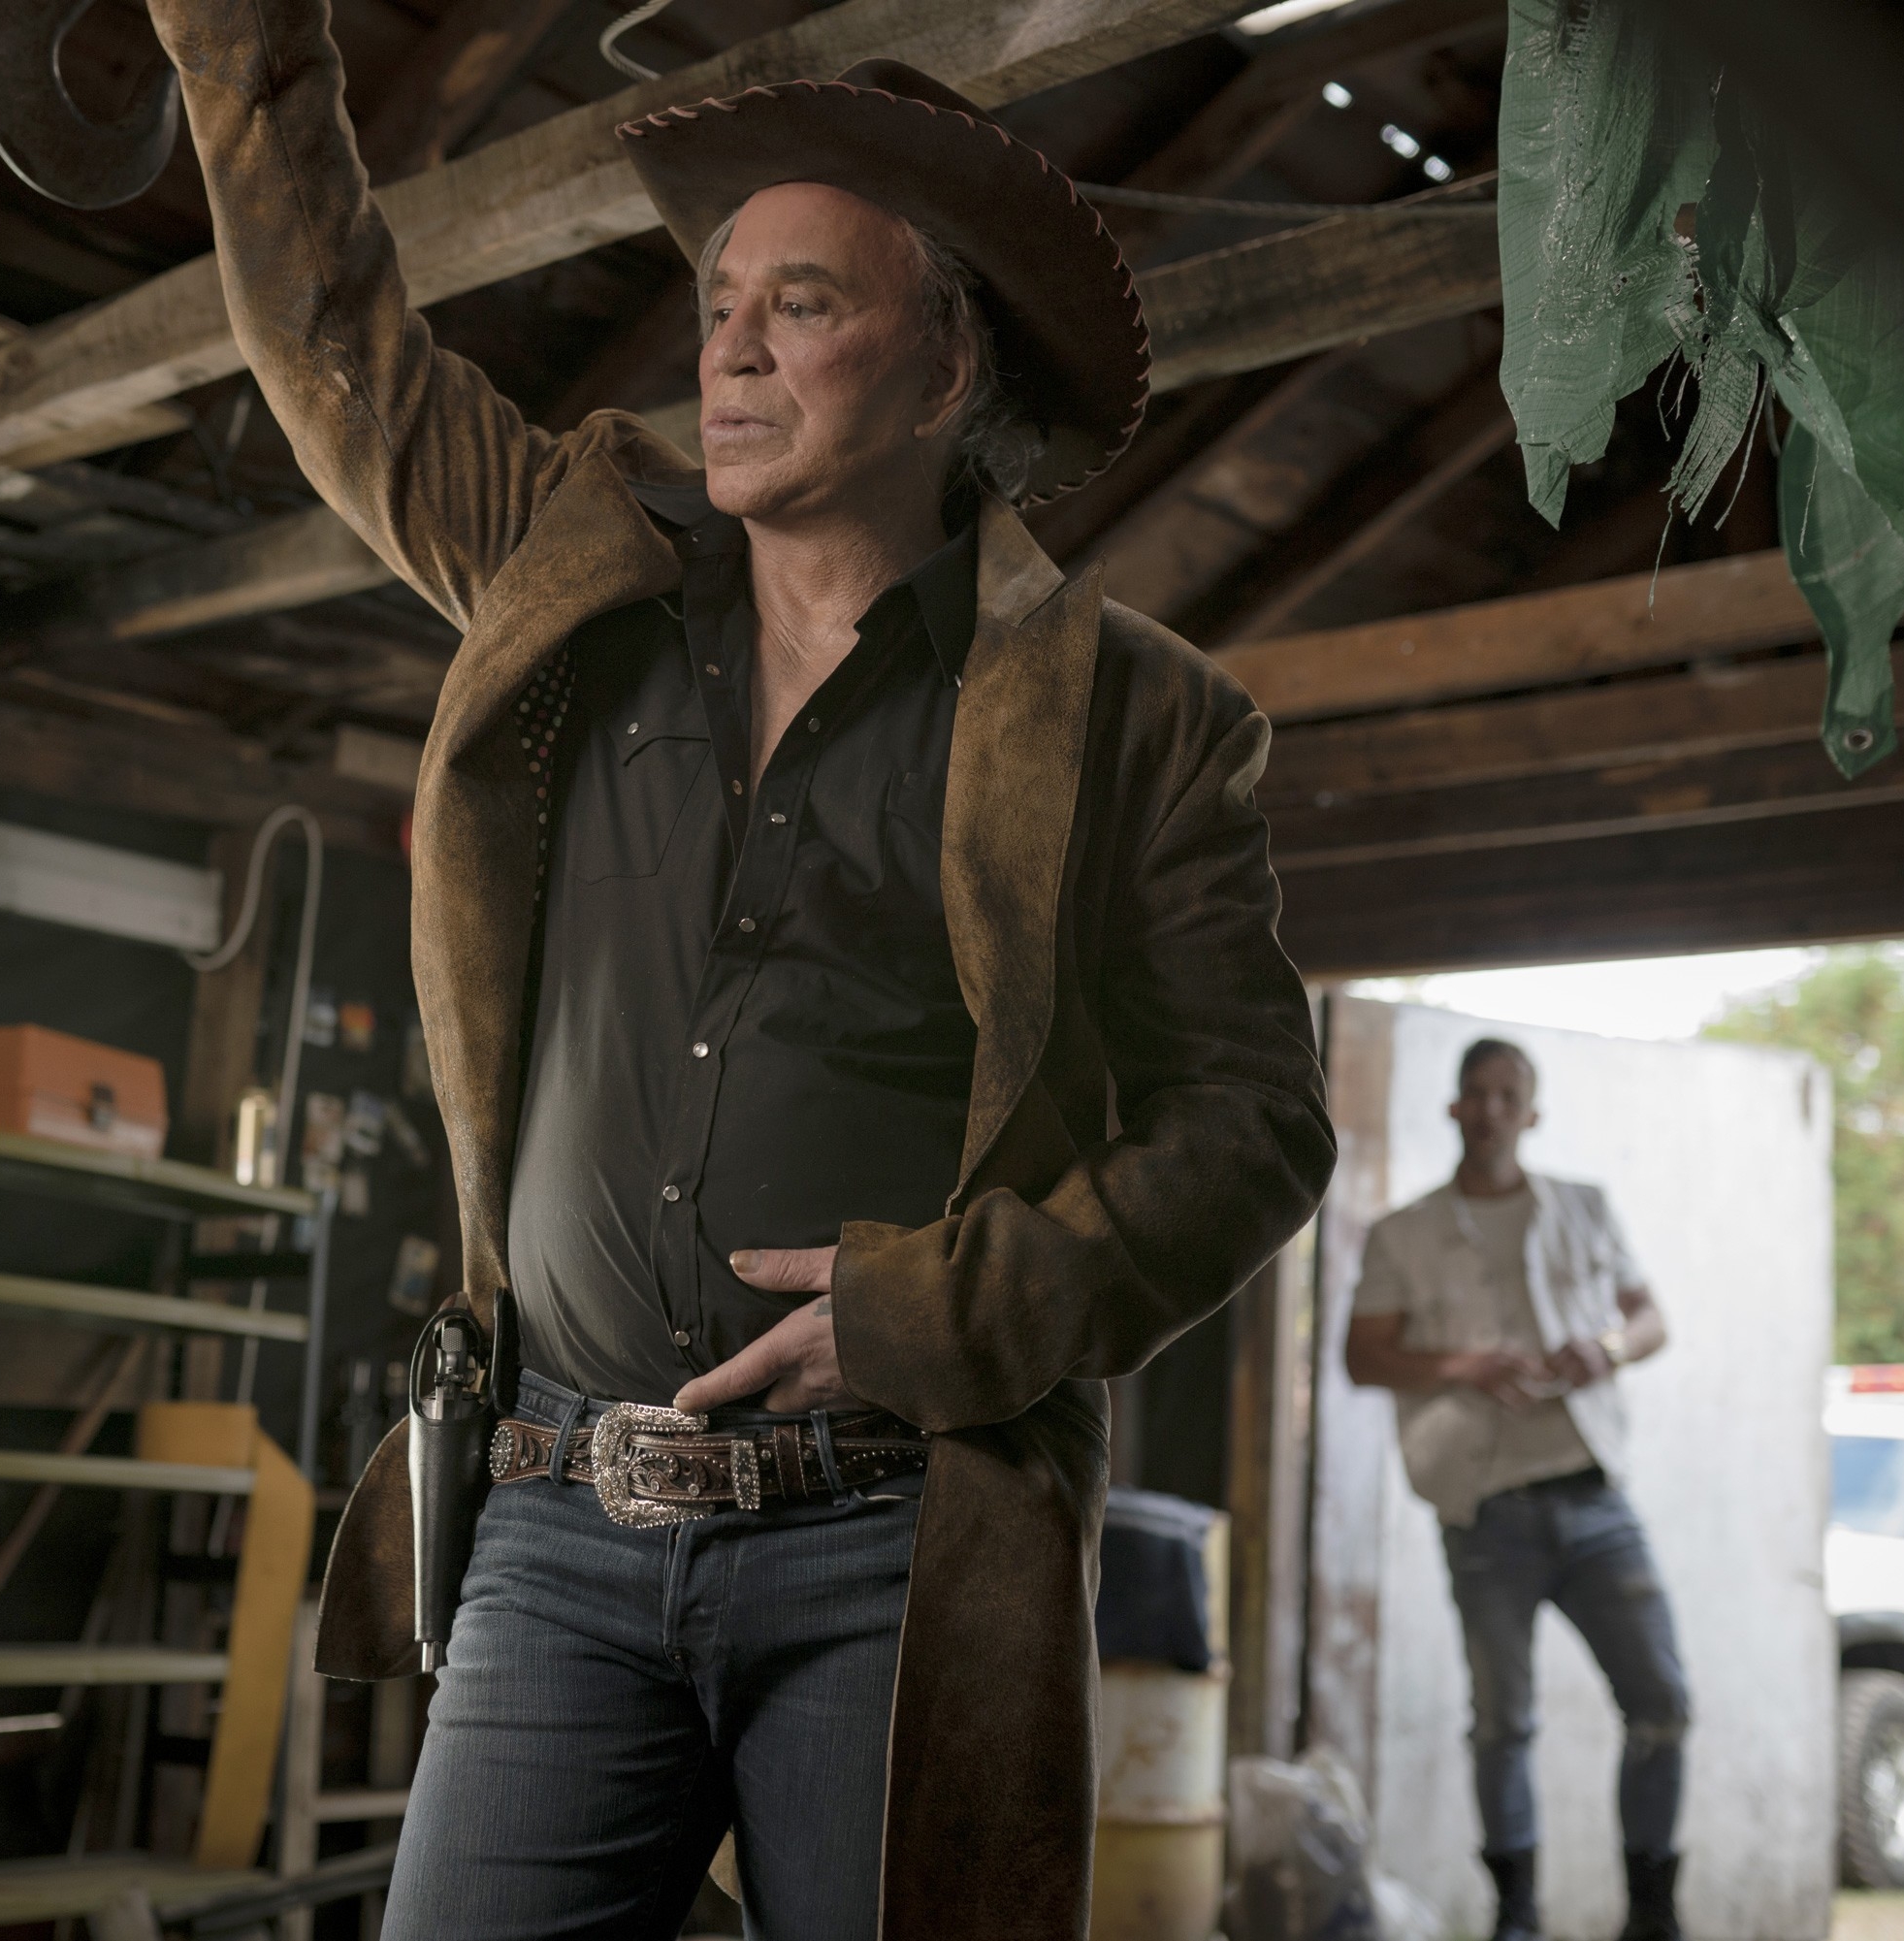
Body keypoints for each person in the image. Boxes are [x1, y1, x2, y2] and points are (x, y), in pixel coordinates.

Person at [141, 4, 1337, 1932]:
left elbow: (1258, 1126)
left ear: (948, 358)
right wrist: (233, 42)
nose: (729, 345)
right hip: (554, 1516)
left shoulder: (1134, 719)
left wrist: (939, 1311)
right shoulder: (572, 567)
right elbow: (338, 351)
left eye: (802, 303)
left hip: (892, 1539)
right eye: (718, 302)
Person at [1346, 1038, 1691, 1941]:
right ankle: (1518, 1919)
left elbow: (1651, 1319)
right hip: (1484, 1508)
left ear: (1530, 1114)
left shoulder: (1583, 1207)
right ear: (1455, 1107)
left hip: (1591, 1495)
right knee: (1503, 1721)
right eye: (1478, 1092)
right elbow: (1359, 1353)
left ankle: (1652, 1915)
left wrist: (1604, 1351)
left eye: (1510, 1094)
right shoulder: (1404, 1232)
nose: (1493, 1108)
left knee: (1662, 1701)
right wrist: (1462, 1362)